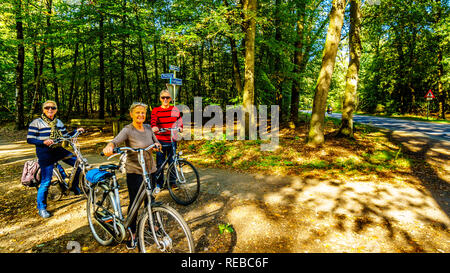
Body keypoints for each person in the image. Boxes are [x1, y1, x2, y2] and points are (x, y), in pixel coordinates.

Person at [102, 102, 161, 249]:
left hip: (150, 170)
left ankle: (153, 224)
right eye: (138, 112)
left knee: (150, 198)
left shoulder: (148, 128)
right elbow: (116, 141)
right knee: (135, 203)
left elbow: (155, 141)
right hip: (135, 172)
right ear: (131, 114)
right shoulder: (128, 130)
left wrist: (158, 145)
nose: (141, 115)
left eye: (143, 113)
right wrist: (110, 146)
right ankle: (132, 232)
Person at [27, 100, 84, 219]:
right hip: (44, 153)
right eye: (47, 108)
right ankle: (41, 208)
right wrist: (43, 142)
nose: (50, 110)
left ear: (56, 109)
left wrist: (76, 131)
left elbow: (65, 136)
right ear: (43, 109)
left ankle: (73, 186)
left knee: (78, 163)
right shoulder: (36, 122)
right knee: (46, 181)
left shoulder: (58, 122)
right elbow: (30, 139)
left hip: (58, 150)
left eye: (53, 108)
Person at [150, 90, 183, 192]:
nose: (165, 99)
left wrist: (180, 127)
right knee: (160, 163)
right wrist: (154, 127)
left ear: (170, 99)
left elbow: (179, 121)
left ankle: (172, 182)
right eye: (163, 97)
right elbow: (153, 122)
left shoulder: (175, 109)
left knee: (172, 162)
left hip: (172, 140)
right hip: (160, 140)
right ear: (160, 98)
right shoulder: (156, 110)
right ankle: (159, 184)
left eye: (167, 97)